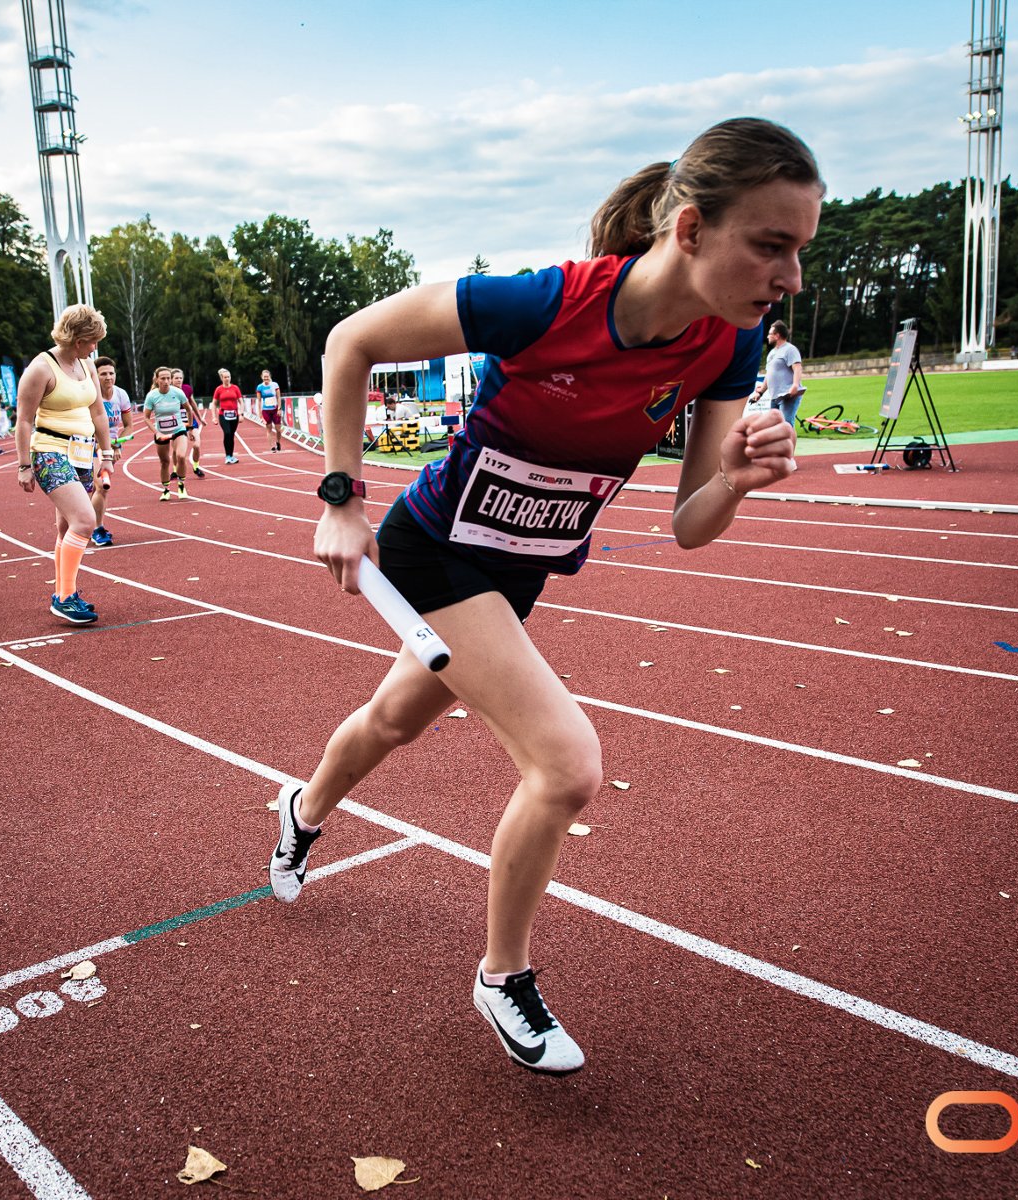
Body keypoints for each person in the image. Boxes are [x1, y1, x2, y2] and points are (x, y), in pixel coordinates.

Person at [269, 117, 818, 1076]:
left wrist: (733, 477)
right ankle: (501, 976)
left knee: (394, 718)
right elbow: (350, 341)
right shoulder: (543, 303)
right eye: (770, 246)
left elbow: (688, 524)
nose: (790, 278)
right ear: (688, 230)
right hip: (433, 549)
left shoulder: (725, 350)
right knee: (566, 767)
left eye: (799, 250)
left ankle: (302, 808)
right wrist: (341, 500)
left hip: (517, 572)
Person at [15, 304, 113, 625]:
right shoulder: (41, 369)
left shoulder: (85, 365)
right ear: (75, 338)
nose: (95, 347)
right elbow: (24, 421)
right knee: (85, 521)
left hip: (82, 453)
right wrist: (24, 465)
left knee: (66, 527)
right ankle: (65, 598)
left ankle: (64, 590)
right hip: (49, 452)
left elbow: (98, 411)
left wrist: (107, 452)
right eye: (91, 340)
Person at [143, 366, 200, 501]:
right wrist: (156, 432)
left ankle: (181, 486)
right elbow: (146, 417)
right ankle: (166, 489)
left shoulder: (178, 392)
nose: (166, 381)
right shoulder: (152, 396)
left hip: (179, 429)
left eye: (168, 378)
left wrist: (190, 428)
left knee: (181, 456)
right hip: (161, 432)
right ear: (157, 380)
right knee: (165, 462)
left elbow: (189, 409)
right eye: (163, 378)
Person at [90, 356, 131, 546]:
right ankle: (95, 528)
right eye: (103, 374)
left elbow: (128, 425)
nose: (108, 377)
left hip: (110, 447)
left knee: (101, 490)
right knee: (100, 486)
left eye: (111, 373)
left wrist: (116, 445)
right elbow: (90, 426)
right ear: (95, 376)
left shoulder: (121, 395)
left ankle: (96, 525)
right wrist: (105, 447)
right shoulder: (90, 395)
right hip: (89, 445)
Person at [760, 319, 804, 429]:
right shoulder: (772, 353)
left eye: (770, 334)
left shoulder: (790, 349)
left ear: (777, 336)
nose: (768, 337)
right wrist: (760, 392)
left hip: (788, 395)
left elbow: (797, 368)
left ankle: (789, 446)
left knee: (786, 426)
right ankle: (778, 447)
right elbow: (769, 374)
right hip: (775, 397)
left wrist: (795, 385)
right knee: (774, 427)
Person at [173, 367, 206, 478]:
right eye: (176, 378)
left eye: (180, 378)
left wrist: (200, 418)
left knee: (196, 445)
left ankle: (196, 467)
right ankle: (174, 470)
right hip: (176, 423)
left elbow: (193, 404)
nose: (179, 380)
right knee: (176, 450)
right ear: (171, 379)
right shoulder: (168, 392)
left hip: (190, 420)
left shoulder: (187, 389)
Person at [213, 368, 243, 463]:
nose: (227, 379)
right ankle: (227, 456)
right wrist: (214, 417)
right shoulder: (219, 389)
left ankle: (231, 456)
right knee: (227, 433)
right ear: (222, 378)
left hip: (234, 415)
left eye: (228, 377)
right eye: (225, 377)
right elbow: (214, 403)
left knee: (232, 435)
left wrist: (241, 414)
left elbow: (241, 401)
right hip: (223, 415)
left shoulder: (235, 388)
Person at [257, 369, 282, 451]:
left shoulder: (274, 385)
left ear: (269, 377)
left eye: (267, 377)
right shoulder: (260, 387)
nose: (266, 378)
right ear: (262, 377)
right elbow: (259, 400)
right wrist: (260, 413)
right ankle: (272, 446)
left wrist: (279, 408)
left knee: (278, 429)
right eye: (264, 377)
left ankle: (278, 442)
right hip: (266, 410)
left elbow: (278, 397)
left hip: (275, 409)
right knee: (269, 429)